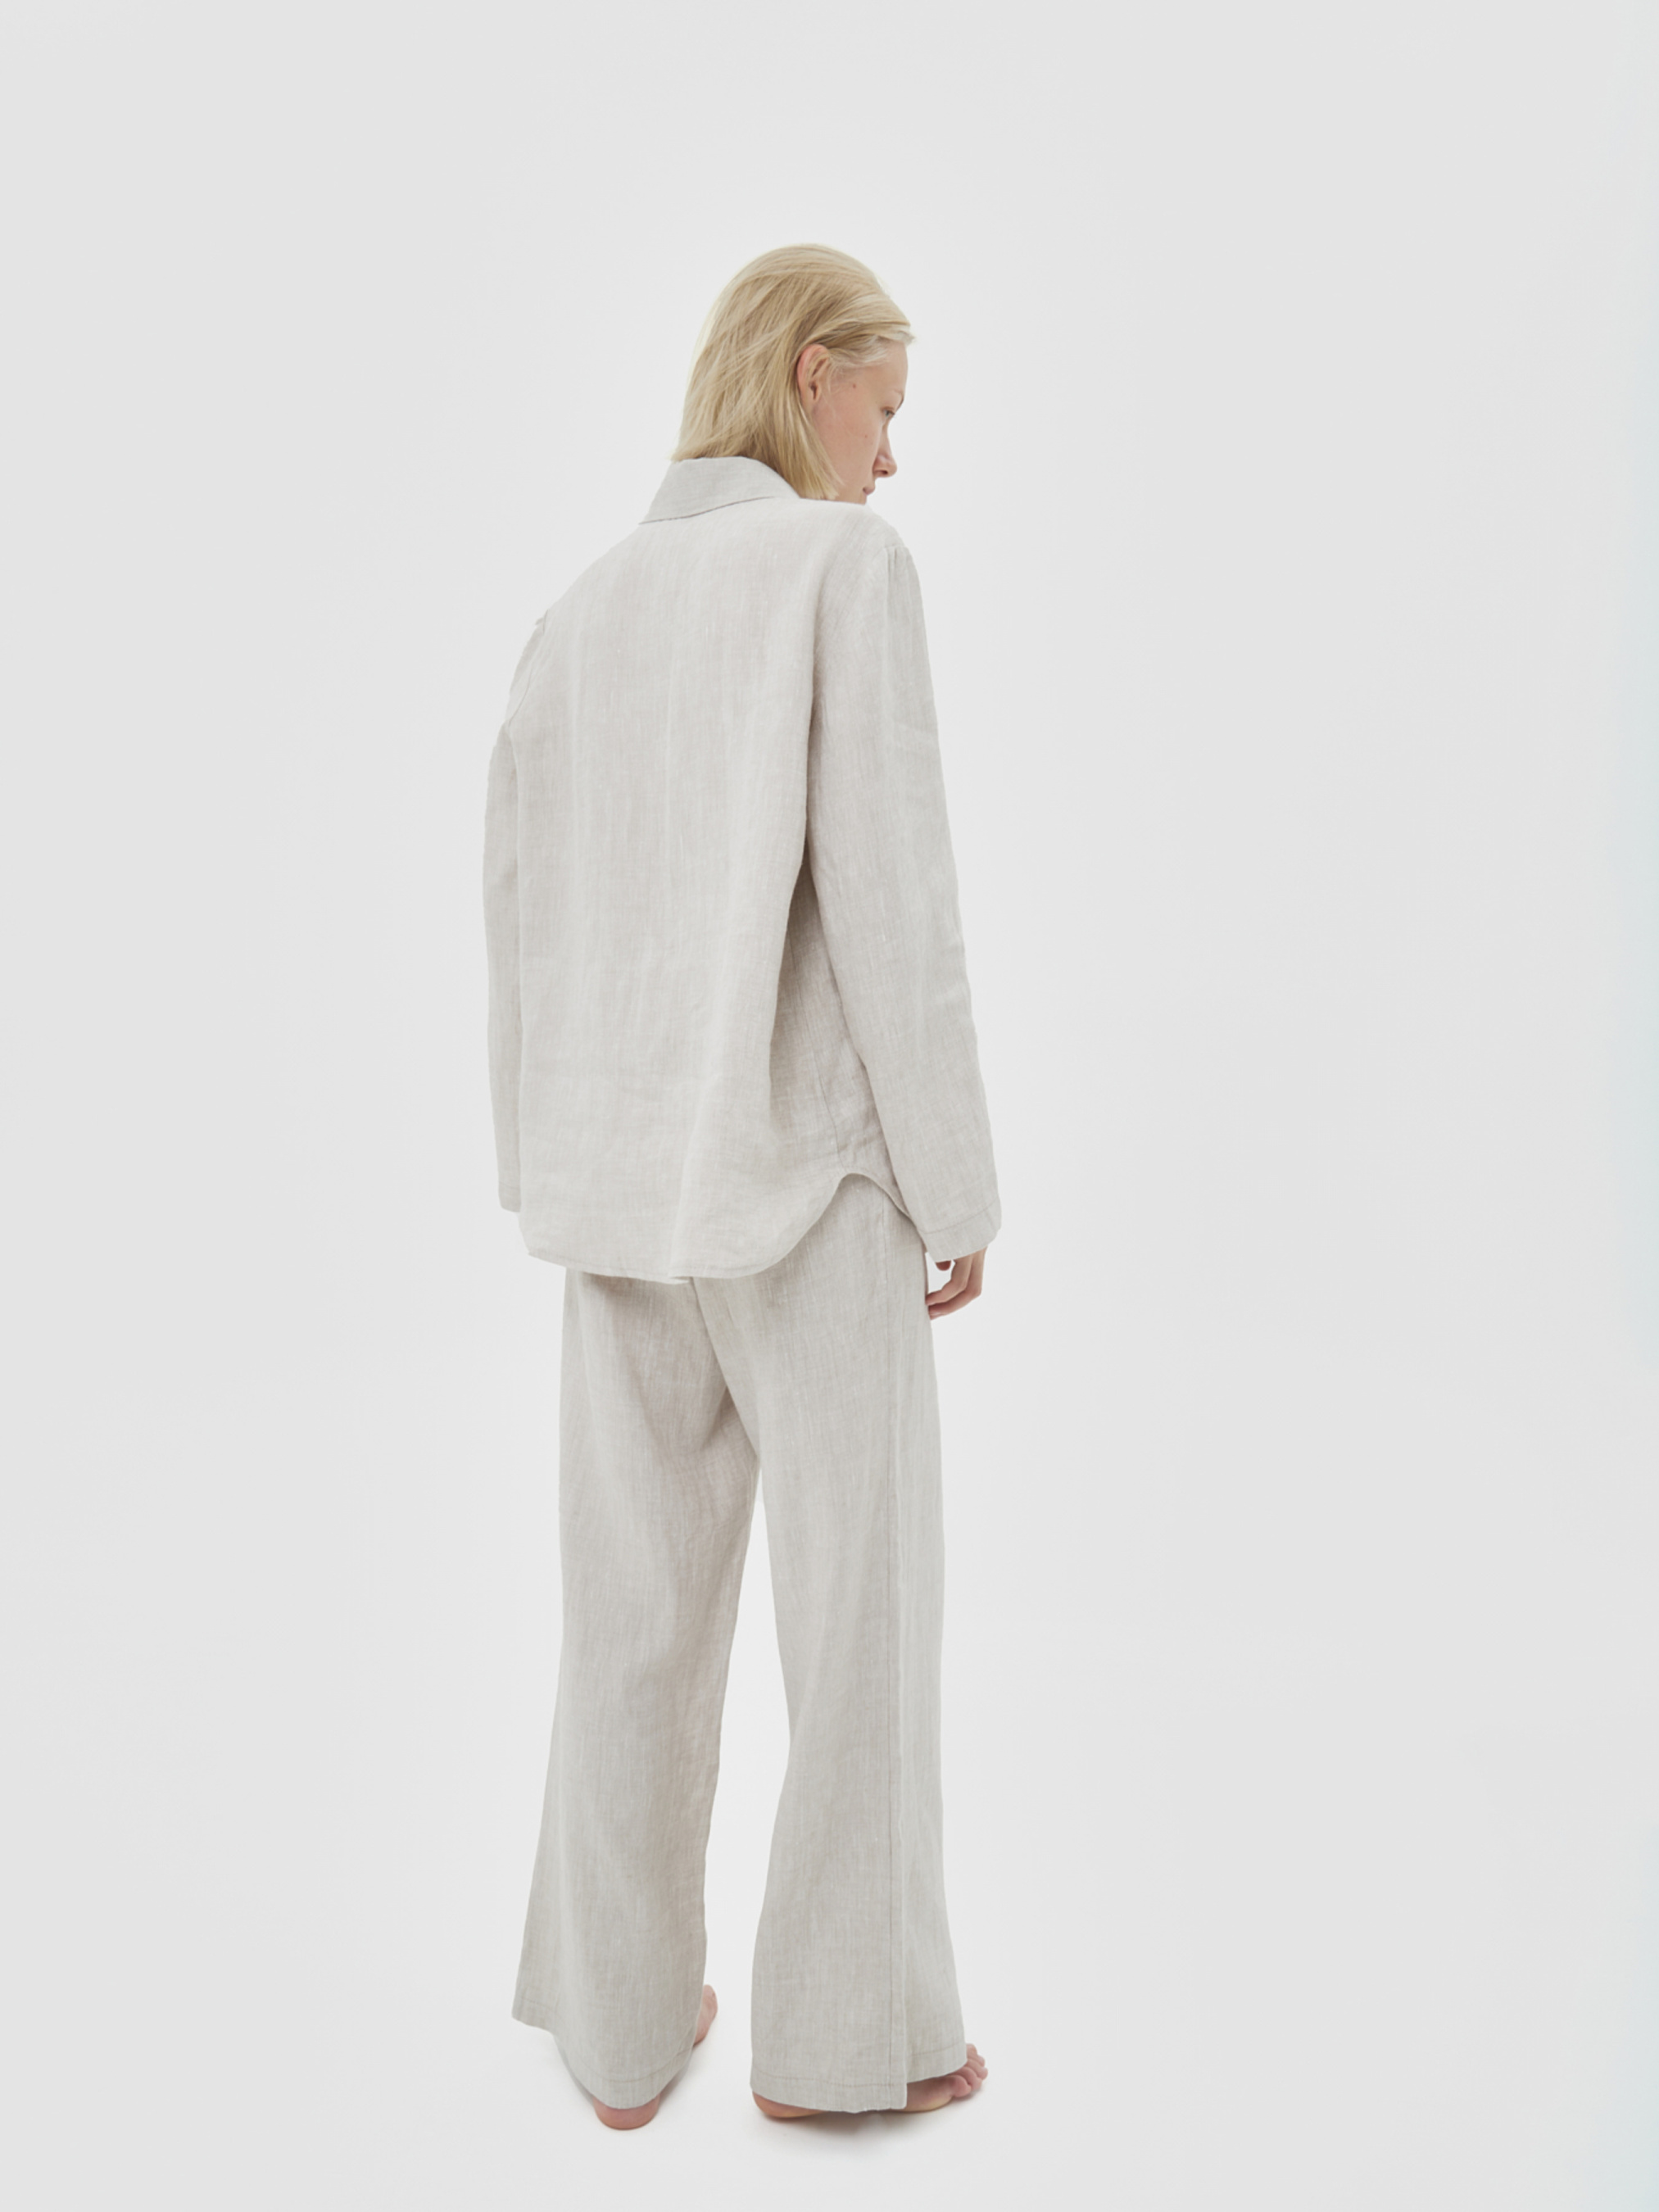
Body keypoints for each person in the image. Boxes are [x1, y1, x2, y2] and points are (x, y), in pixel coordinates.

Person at [482, 244, 998, 2128]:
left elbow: (518, 906)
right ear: (807, 373)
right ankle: (854, 2045)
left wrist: (539, 1161)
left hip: (616, 1195)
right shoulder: (839, 569)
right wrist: (954, 1185)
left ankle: (619, 2032)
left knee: (625, 1620)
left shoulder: (579, 609)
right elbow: (893, 900)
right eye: (884, 407)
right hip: (809, 1187)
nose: (890, 456)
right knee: (857, 1624)